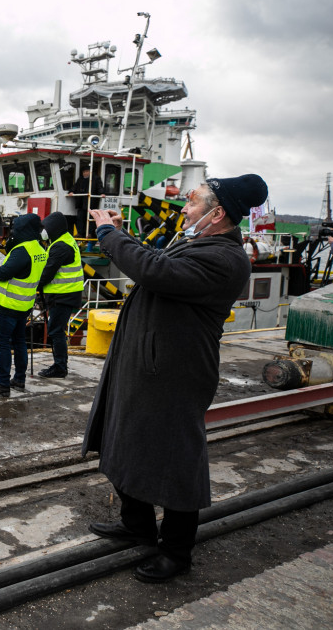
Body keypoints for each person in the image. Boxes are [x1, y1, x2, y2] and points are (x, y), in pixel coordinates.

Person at [82, 173, 268, 583]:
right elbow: (156, 262)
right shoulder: (200, 242)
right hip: (146, 363)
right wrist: (125, 234)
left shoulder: (225, 258)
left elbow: (153, 270)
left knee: (176, 457)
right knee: (124, 439)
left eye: (194, 202)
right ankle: (138, 525)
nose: (185, 208)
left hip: (175, 372)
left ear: (217, 214)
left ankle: (177, 550)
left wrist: (110, 234)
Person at [0, 213, 47, 398]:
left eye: (16, 228)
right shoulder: (40, 249)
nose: (13, 232)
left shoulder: (21, 250)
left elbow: (3, 274)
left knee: (1, 343)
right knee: (19, 342)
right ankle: (19, 379)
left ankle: (2, 384)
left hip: (8, 305)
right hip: (24, 304)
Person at [37, 212, 84, 378]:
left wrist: (33, 286)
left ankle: (60, 367)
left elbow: (48, 273)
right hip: (65, 294)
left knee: (56, 331)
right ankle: (59, 365)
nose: (44, 231)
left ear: (54, 229)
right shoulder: (63, 240)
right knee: (57, 330)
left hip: (63, 295)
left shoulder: (60, 247)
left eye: (46, 228)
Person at [73, 166, 104, 241]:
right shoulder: (80, 179)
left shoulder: (96, 179)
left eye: (86, 171)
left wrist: (102, 193)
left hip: (92, 203)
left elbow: (99, 187)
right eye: (84, 172)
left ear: (90, 172)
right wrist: (71, 191)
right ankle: (80, 233)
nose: (85, 173)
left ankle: (90, 233)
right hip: (81, 203)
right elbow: (75, 187)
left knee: (91, 219)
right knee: (80, 218)